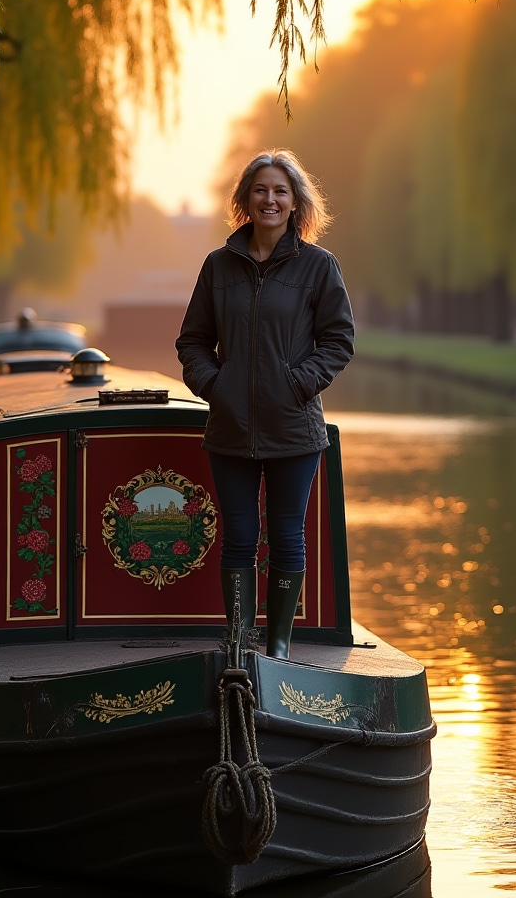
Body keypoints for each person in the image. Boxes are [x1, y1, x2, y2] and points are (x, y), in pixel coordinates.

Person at [176, 149, 355, 661]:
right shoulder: (218, 266)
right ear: (245, 201)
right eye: (260, 190)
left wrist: (298, 385)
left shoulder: (319, 267)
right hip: (230, 429)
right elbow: (192, 341)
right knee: (237, 537)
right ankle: (237, 643)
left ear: (296, 201)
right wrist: (218, 385)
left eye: (280, 191)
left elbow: (339, 340)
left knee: (286, 536)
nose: (269, 199)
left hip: (295, 430)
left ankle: (276, 649)